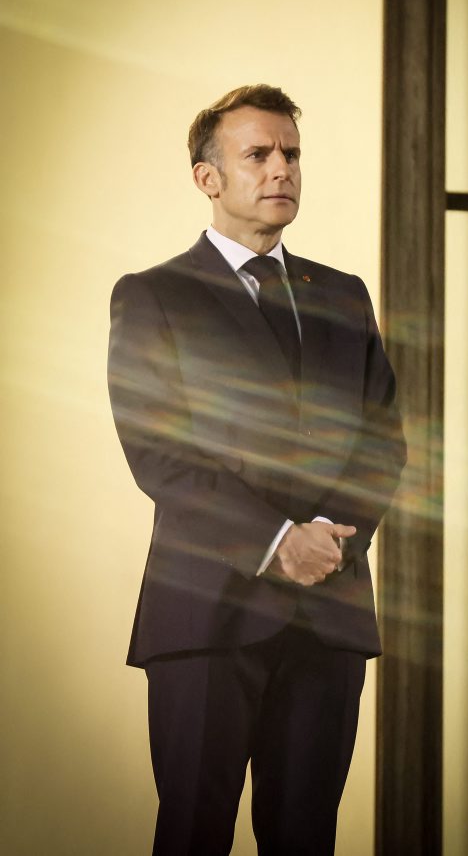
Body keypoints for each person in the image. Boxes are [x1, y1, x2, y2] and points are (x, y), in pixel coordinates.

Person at [107, 84, 406, 856]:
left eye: (292, 154)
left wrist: (328, 539)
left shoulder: (344, 295)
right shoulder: (154, 296)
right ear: (207, 177)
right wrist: (278, 541)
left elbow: (382, 442)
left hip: (329, 610)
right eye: (259, 154)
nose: (282, 169)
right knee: (194, 834)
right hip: (206, 610)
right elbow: (160, 453)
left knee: (307, 838)